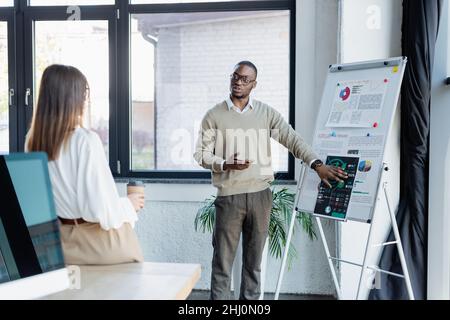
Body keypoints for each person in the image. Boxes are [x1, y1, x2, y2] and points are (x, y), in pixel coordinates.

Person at [194, 61, 348, 300]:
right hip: (229, 198)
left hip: (261, 197)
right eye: (235, 76)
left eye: (245, 79)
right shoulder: (214, 115)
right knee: (222, 266)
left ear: (254, 84)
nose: (238, 81)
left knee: (253, 266)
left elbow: (292, 140)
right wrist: (226, 163)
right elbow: (201, 155)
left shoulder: (266, 114)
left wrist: (317, 165)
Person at [26, 64, 145, 265]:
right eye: (84, 93)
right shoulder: (85, 141)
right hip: (99, 248)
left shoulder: (32, 142)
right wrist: (129, 204)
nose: (85, 100)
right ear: (74, 99)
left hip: (60, 247)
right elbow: (99, 210)